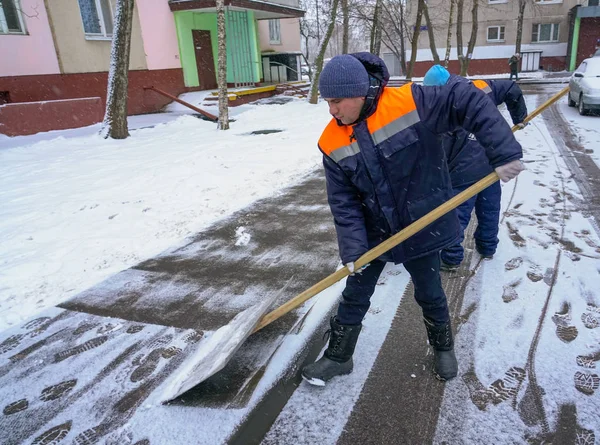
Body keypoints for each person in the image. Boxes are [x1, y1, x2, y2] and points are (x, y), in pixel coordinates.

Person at [301, 53, 524, 386]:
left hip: (422, 224)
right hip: (375, 232)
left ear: (359, 93)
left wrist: (503, 152)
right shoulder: (331, 141)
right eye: (327, 103)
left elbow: (466, 97)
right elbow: (343, 202)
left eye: (336, 101)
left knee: (430, 292)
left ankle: (443, 348)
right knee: (355, 294)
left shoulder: (410, 102)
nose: (331, 110)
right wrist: (353, 250)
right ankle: (338, 357)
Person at [422, 65, 528, 271]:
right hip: (490, 165)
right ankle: (488, 247)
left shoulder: (441, 105)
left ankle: (452, 258)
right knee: (489, 209)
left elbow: (438, 147)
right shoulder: (482, 87)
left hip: (462, 173)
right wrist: (519, 117)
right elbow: (510, 88)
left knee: (456, 217)